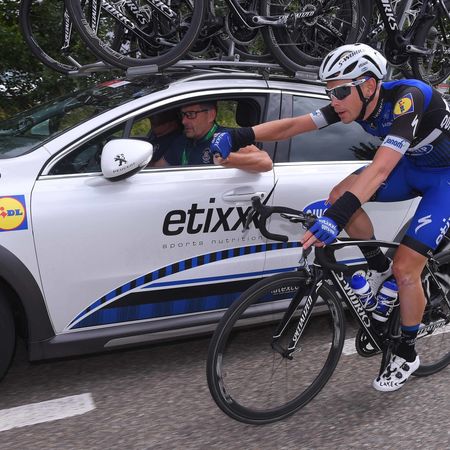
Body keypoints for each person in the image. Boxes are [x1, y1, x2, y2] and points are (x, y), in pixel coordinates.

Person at [210, 43, 450, 392]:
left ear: (369, 85)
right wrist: (239, 135)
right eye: (329, 92)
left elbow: (380, 169)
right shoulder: (353, 103)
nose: (332, 100)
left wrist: (335, 219)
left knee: (406, 268)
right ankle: (377, 266)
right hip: (412, 168)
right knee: (340, 195)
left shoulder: (408, 98)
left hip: (445, 179)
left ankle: (406, 352)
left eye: (339, 92)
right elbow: (293, 126)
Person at [154, 101, 272, 172]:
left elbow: (265, 162)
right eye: (183, 115)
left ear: (211, 115)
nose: (184, 121)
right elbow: (156, 168)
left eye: (190, 114)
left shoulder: (225, 137)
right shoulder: (182, 140)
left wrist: (227, 159)